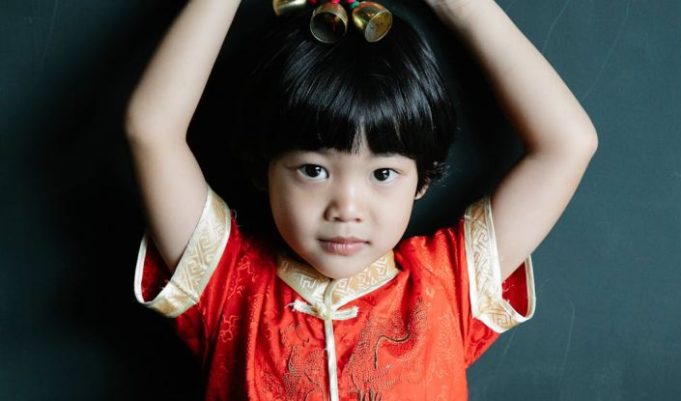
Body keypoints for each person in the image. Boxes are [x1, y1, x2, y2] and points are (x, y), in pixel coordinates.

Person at [124, 0, 597, 399]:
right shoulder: (226, 282)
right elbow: (152, 129)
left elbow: (567, 144)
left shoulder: (450, 282)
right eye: (314, 170)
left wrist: (466, 9)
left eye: (383, 173)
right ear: (263, 168)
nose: (346, 207)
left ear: (422, 180)